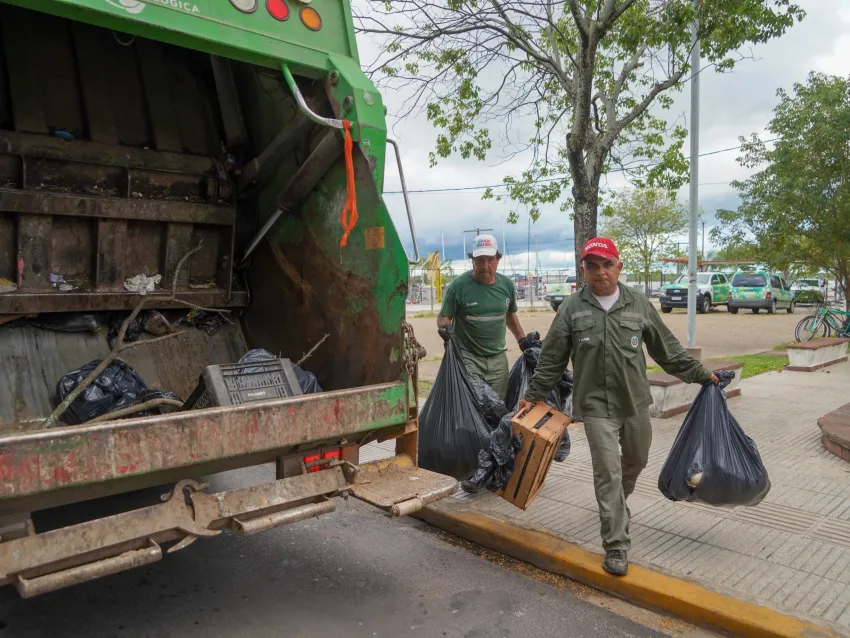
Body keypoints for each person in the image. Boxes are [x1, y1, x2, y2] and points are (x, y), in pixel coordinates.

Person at [519, 237, 719, 577]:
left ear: (619, 267)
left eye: (607, 264)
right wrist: (534, 393)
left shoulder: (638, 304)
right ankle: (616, 543)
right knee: (607, 472)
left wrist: (702, 375)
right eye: (592, 266)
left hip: (634, 402)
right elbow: (552, 358)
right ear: (583, 270)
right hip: (595, 406)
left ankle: (616, 505)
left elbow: (667, 351)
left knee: (636, 460)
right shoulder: (571, 308)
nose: (600, 272)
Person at [437, 234, 534, 400]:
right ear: (472, 261)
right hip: (469, 358)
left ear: (498, 259)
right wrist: (446, 331)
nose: (485, 265)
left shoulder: (507, 286)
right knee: (472, 404)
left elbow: (509, 314)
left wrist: (522, 340)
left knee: (498, 405)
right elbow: (443, 317)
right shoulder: (458, 287)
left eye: (490, 260)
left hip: (498, 360)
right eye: (480, 260)